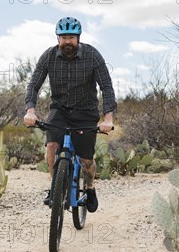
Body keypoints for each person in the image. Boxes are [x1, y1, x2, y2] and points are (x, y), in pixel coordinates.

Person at [23, 17, 117, 213]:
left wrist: (108, 118)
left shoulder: (92, 56)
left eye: (71, 37)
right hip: (59, 110)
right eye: (64, 37)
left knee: (86, 161)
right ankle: (55, 188)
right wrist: (30, 111)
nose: (67, 42)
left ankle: (90, 188)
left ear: (78, 38)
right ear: (58, 38)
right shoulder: (48, 56)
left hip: (86, 112)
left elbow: (106, 87)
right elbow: (33, 85)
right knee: (51, 145)